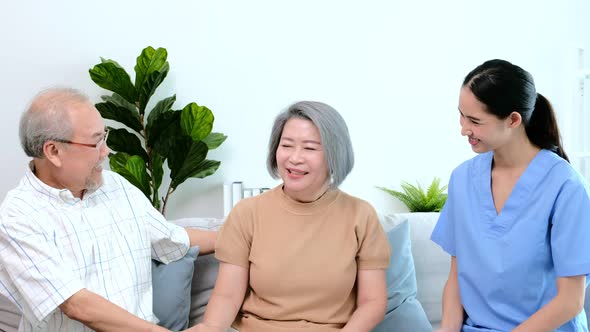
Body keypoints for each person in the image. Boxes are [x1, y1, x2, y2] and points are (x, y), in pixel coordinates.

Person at [0, 88, 217, 332]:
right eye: (95, 142)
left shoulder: (117, 188)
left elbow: (171, 238)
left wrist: (244, 236)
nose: (106, 152)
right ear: (53, 152)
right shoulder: (18, 216)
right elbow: (77, 305)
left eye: (104, 138)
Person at [190, 101, 391, 332]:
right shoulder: (247, 213)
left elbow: (372, 302)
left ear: (335, 154)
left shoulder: (361, 215)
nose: (295, 158)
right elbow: (227, 296)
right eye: (287, 145)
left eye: (310, 148)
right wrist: (210, 327)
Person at [431, 59, 590, 331]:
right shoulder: (462, 179)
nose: (463, 129)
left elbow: (570, 301)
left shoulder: (565, 186)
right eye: (461, 115)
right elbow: (457, 278)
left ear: (513, 120)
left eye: (475, 121)